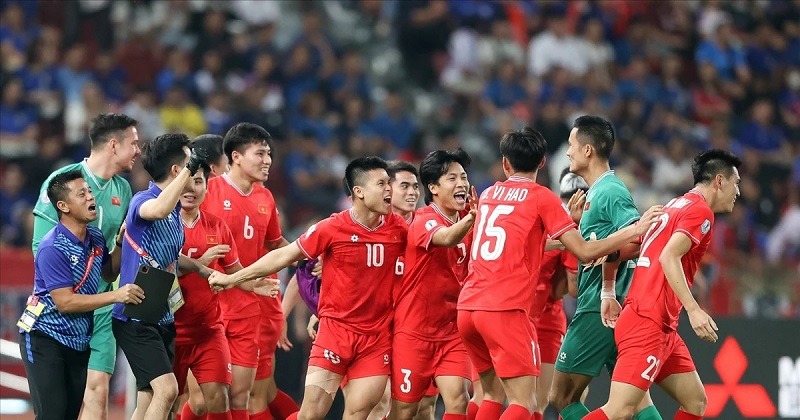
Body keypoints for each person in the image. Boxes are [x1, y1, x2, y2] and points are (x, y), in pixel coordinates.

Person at [456, 127, 662, 420]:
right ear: (542, 162)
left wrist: (567, 227)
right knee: (524, 404)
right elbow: (585, 252)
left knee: (491, 395)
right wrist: (633, 230)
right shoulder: (542, 197)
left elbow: (522, 242)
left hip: (468, 308)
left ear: (505, 163)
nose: (567, 151)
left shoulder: (489, 194)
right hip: (504, 309)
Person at [209, 156, 408, 420]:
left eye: (389, 183)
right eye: (381, 183)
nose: (388, 189)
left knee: (363, 412)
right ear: (359, 192)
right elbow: (284, 256)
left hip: (376, 339)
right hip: (335, 334)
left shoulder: (399, 229)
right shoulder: (332, 228)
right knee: (311, 414)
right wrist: (232, 279)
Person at [585, 150, 742, 420]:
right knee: (619, 411)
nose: (738, 191)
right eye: (735, 183)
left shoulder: (674, 205)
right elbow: (668, 256)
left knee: (695, 402)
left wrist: (608, 290)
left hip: (660, 324)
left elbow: (628, 249)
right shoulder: (701, 212)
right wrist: (694, 309)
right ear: (719, 180)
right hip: (647, 321)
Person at [31, 112, 140, 420]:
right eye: (134, 143)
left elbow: (112, 260)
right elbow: (42, 249)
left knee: (98, 391)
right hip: (61, 310)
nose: (138, 151)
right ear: (114, 145)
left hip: (103, 306)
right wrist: (71, 289)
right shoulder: (65, 181)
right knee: (57, 408)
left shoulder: (123, 189)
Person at [551, 116, 661, 420]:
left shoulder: (610, 190)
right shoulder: (596, 192)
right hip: (614, 304)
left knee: (561, 396)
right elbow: (603, 241)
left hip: (597, 306)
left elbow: (638, 239)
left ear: (588, 150)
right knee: (636, 404)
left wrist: (607, 270)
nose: (568, 152)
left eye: (572, 145)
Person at [201, 123, 298, 420]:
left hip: (251, 305)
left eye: (269, 154)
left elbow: (275, 243)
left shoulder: (265, 197)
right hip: (209, 302)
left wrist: (304, 256)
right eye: (260, 153)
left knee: (245, 394)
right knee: (203, 398)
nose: (268, 160)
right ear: (236, 156)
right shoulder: (208, 190)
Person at [113, 133, 213, 420]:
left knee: (148, 398)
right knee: (168, 390)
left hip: (163, 314)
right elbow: (157, 210)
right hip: (136, 316)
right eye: (189, 166)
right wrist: (189, 169)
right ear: (177, 170)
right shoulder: (142, 201)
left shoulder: (175, 210)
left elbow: (169, 258)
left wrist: (201, 268)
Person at [391, 149, 477, 420]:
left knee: (459, 399)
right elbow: (447, 238)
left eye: (464, 177)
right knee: (406, 411)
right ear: (433, 187)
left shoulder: (468, 219)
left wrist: (563, 239)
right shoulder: (424, 219)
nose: (461, 184)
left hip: (451, 331)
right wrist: (472, 219)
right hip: (414, 333)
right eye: (452, 178)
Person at [173, 163, 247, 420]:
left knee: (218, 398)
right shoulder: (162, 225)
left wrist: (257, 280)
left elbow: (235, 272)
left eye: (198, 182)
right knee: (167, 401)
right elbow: (157, 270)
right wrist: (200, 264)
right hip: (168, 331)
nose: (191, 189)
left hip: (208, 330)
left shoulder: (217, 226)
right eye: (186, 181)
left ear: (207, 187)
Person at [531, 169, 585, 419]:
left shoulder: (536, 213)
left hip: (508, 310)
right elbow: (572, 289)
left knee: (493, 396)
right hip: (544, 321)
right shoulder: (572, 228)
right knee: (546, 401)